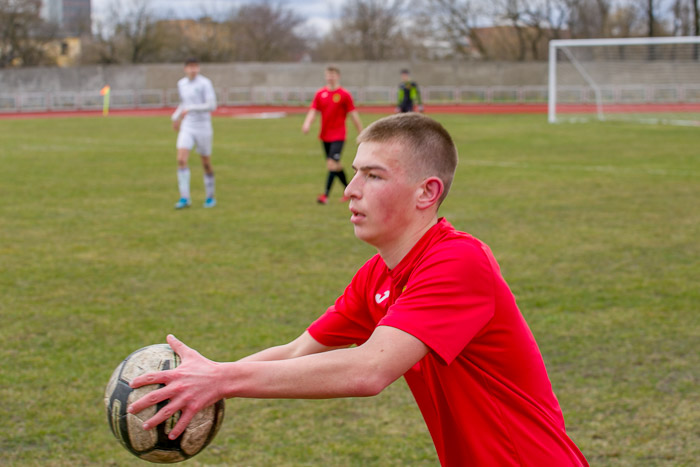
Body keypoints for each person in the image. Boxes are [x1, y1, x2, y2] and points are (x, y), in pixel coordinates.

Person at [128, 113, 588, 466]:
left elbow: (370, 369)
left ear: (426, 193)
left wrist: (222, 381)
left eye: (373, 175)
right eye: (354, 172)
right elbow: (296, 353)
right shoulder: (377, 276)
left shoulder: (459, 261)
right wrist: (208, 377)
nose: (350, 190)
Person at [302, 65, 363, 205]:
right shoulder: (320, 93)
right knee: (336, 165)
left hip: (339, 135)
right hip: (324, 136)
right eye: (328, 75)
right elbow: (313, 111)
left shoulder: (344, 94)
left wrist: (361, 131)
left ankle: (325, 196)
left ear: (338, 76)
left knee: (331, 164)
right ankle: (349, 190)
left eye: (333, 75)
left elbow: (353, 114)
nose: (330, 77)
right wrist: (307, 123)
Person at [171, 57, 217, 209]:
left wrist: (191, 109)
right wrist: (176, 116)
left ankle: (210, 197)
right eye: (190, 67)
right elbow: (184, 103)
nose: (193, 70)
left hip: (203, 126)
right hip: (188, 126)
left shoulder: (205, 83)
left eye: (196, 67)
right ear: (185, 69)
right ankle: (185, 198)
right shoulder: (181, 84)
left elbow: (211, 105)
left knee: (205, 163)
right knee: (181, 160)